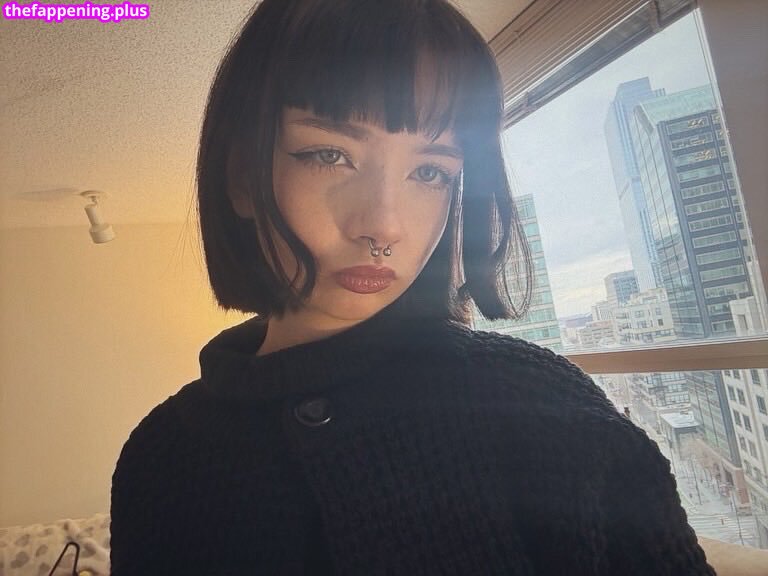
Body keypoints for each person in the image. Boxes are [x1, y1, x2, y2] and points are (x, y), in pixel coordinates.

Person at [110, 0, 717, 574]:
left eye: (430, 171)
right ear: (242, 177)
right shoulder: (161, 456)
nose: (384, 226)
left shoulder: (538, 405)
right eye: (329, 154)